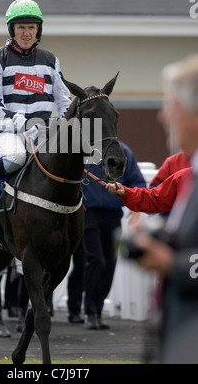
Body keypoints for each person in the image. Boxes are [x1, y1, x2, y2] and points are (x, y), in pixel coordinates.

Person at [118, 54, 198, 363]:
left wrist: (171, 262)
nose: (164, 117)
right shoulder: (184, 171)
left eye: (170, 106)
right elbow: (153, 200)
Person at [0, 0, 72, 208]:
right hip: (9, 132)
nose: (27, 33)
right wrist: (24, 125)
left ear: (38, 30)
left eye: (31, 27)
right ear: (12, 30)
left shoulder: (50, 60)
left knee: (69, 160)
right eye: (21, 27)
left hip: (43, 132)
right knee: (16, 157)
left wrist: (65, 126)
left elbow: (64, 101)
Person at [67, 141, 146, 329]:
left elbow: (137, 181)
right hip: (88, 213)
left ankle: (96, 310)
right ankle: (85, 311)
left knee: (109, 263)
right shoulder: (84, 149)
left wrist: (136, 208)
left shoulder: (124, 152)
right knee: (95, 260)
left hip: (113, 215)